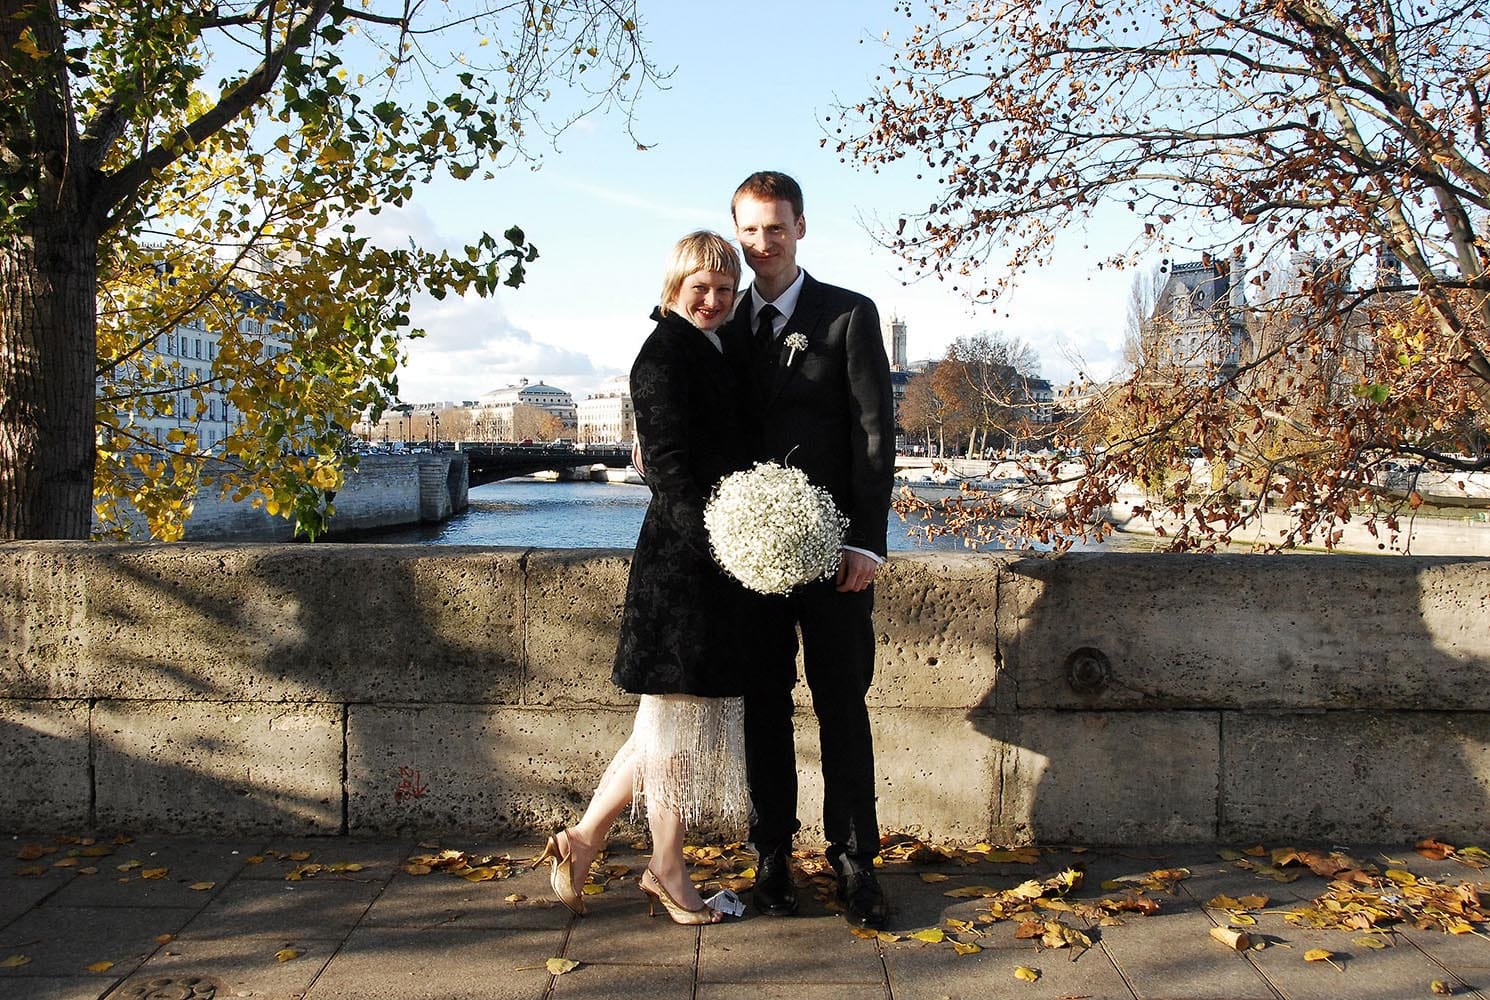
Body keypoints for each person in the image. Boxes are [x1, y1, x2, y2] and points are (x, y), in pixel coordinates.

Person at [533, 231, 759, 925]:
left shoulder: (703, 346)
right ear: (674, 287)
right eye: (702, 289)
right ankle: (665, 869)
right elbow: (668, 472)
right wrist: (730, 545)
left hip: (698, 565)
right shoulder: (664, 354)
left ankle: (583, 840)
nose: (716, 300)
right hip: (686, 571)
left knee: (663, 727)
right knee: (676, 732)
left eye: (725, 289)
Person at [725, 171, 896, 929]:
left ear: (801, 227)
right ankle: (772, 856)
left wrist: (867, 541)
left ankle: (856, 861)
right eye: (751, 230)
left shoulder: (849, 316)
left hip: (834, 558)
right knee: (763, 705)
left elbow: (873, 436)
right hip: (750, 560)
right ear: (737, 232)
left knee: (841, 705)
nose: (764, 244)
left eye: (776, 228)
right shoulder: (721, 318)